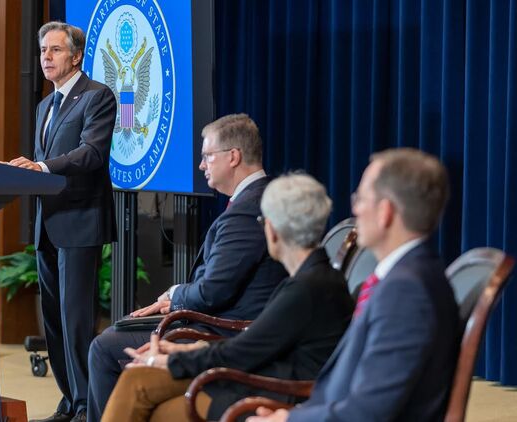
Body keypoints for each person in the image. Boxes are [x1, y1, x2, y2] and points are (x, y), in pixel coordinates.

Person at [101, 173, 355, 421]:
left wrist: (171, 359)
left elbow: (243, 351)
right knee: (137, 378)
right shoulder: (315, 279)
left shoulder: (305, 289)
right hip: (255, 376)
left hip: (266, 391)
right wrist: (185, 349)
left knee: (153, 406)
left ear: (273, 230)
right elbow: (253, 343)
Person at [86, 114, 289, 422]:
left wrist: (175, 295)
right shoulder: (259, 197)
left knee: (105, 347)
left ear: (233, 157)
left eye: (208, 156)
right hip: (216, 320)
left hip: (221, 330)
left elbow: (211, 292)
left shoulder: (247, 211)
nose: (201, 165)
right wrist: (175, 298)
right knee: (122, 329)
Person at [250, 148, 460, 422]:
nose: (355, 209)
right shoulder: (408, 277)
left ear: (385, 212)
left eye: (360, 198)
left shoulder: (406, 292)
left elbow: (369, 411)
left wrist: (288, 420)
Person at [0, 21, 117, 422]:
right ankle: (69, 400)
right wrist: (13, 171)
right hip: (48, 224)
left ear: (75, 56)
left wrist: (40, 166)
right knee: (55, 322)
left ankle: (87, 407)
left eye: (55, 50)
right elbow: (41, 164)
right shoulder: (45, 105)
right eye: (43, 49)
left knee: (76, 321)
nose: (46, 56)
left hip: (80, 222)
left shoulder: (97, 96)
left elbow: (92, 154)